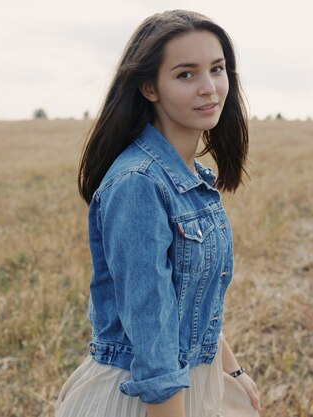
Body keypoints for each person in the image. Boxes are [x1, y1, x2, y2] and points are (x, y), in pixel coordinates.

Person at [55, 9, 261, 417]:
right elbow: (153, 338)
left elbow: (190, 303)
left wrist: (232, 372)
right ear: (149, 87)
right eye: (186, 74)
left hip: (192, 383)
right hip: (145, 398)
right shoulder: (139, 184)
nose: (209, 88)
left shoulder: (192, 178)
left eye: (216, 69)